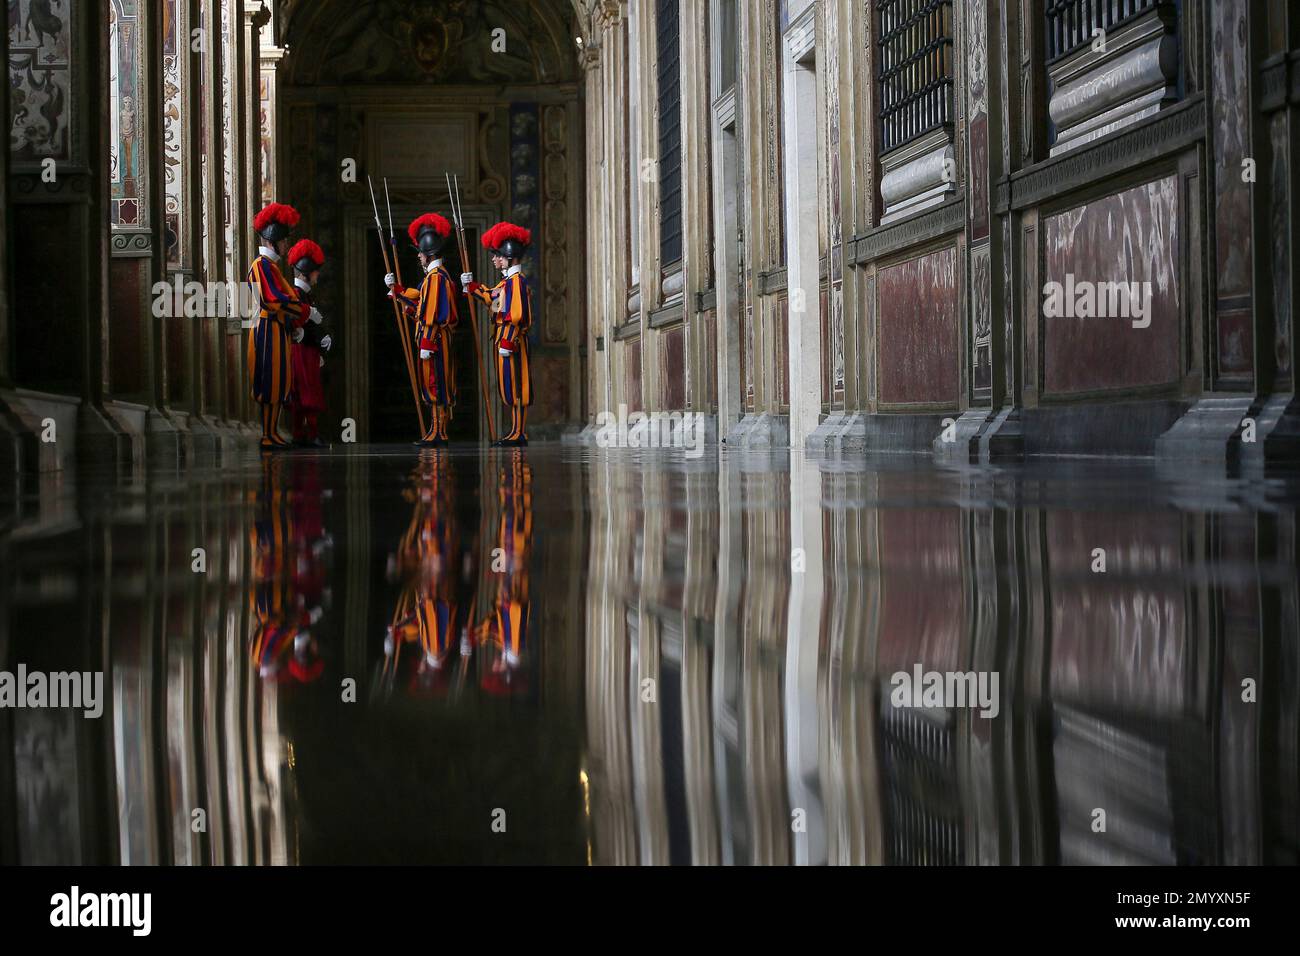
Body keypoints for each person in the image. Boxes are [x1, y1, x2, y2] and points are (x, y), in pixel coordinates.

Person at [387, 213, 459, 446]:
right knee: (432, 384)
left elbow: (431, 315)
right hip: (432, 339)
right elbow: (420, 305)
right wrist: (397, 291)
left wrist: (426, 341)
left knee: (436, 383)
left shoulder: (437, 278)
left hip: (434, 340)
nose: (418, 257)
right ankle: (435, 429)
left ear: (428, 254)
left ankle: (439, 431)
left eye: (420, 253)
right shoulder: (432, 277)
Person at [461, 222, 533, 446]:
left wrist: (508, 340)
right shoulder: (507, 283)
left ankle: (519, 432)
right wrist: (472, 287)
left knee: (517, 386)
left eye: (498, 255)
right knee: (508, 387)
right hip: (503, 339)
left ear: (509, 257)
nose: (494, 259)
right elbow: (492, 299)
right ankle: (514, 430)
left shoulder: (516, 283)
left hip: (511, 341)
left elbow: (516, 315)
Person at [247, 203, 307, 450]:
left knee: (280, 382)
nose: (286, 246)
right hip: (267, 330)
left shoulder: (271, 267)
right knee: (270, 383)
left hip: (277, 329)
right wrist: (297, 307)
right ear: (273, 240)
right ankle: (268, 433)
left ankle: (272, 431)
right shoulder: (260, 266)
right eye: (283, 241)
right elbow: (271, 299)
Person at [286, 239, 333, 448]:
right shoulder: (297, 294)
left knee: (304, 391)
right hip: (301, 351)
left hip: (307, 350)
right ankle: (309, 433)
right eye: (315, 271)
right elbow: (295, 326)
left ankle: (301, 433)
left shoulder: (304, 294)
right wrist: (317, 339)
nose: (317, 275)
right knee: (306, 392)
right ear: (307, 272)